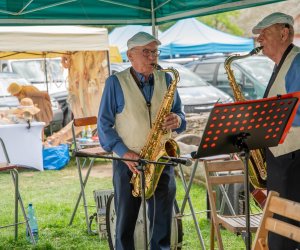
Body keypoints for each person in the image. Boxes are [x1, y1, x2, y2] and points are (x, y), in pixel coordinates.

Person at [97, 32, 186, 249]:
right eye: (145, 52)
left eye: (155, 52)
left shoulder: (166, 78)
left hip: (161, 160)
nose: (152, 57)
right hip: (128, 162)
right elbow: (104, 126)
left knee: (162, 224)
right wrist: (123, 153)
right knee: (125, 223)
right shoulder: (114, 83)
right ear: (130, 55)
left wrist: (178, 120)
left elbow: (181, 116)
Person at [253, 12, 300, 250]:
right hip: (282, 156)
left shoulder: (298, 63)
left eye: (264, 33)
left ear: (284, 33)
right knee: (279, 225)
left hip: (292, 157)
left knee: (285, 228)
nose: (259, 38)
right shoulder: (282, 64)